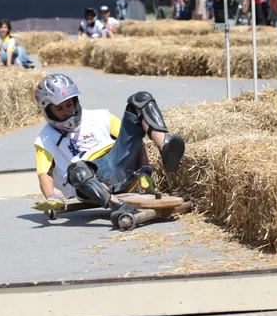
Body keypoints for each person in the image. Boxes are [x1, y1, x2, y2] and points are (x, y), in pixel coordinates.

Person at [32, 74, 186, 228]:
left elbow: (132, 139)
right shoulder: (45, 138)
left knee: (141, 99)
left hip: (119, 162)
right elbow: (44, 173)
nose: (67, 111)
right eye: (59, 108)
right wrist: (51, 196)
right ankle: (119, 206)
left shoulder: (100, 116)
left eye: (69, 104)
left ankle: (165, 147)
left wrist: (145, 169)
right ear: (48, 111)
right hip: (89, 182)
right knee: (76, 169)